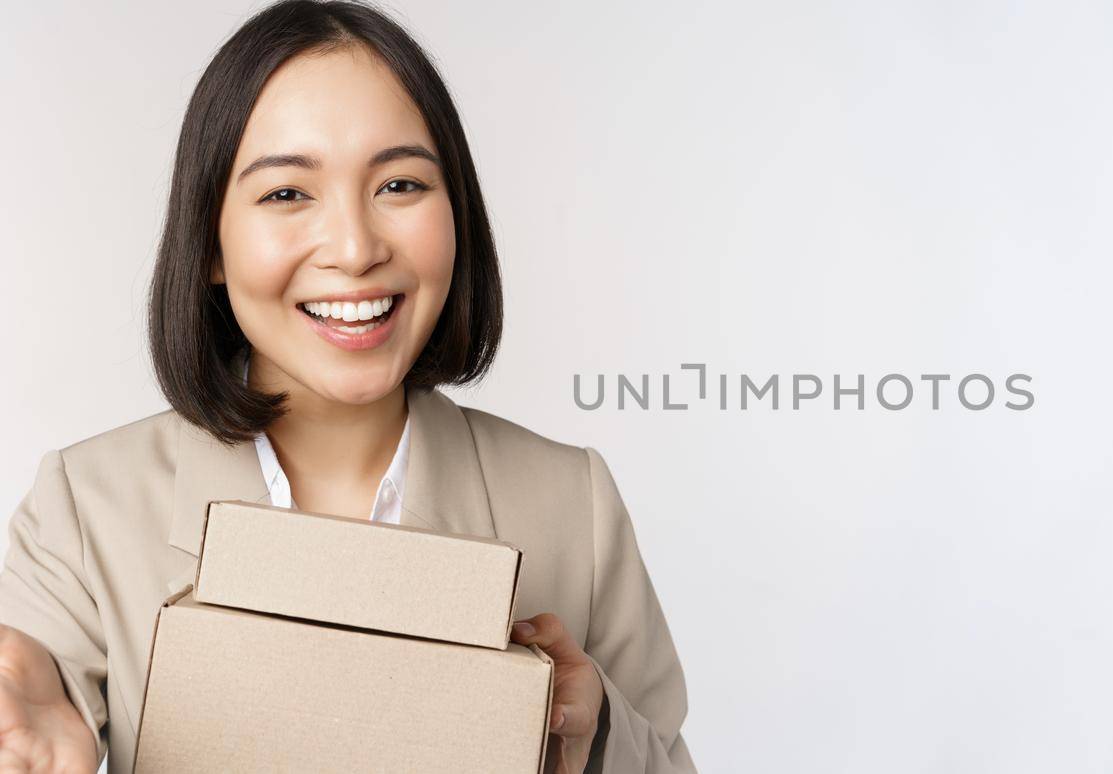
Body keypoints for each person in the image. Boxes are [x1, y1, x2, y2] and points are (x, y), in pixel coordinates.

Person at [0, 2, 695, 772]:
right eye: (287, 194)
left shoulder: (574, 503)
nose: (356, 249)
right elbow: (33, 696)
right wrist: (27, 732)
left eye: (400, 184)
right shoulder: (87, 507)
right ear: (210, 246)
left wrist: (594, 733)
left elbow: (666, 757)